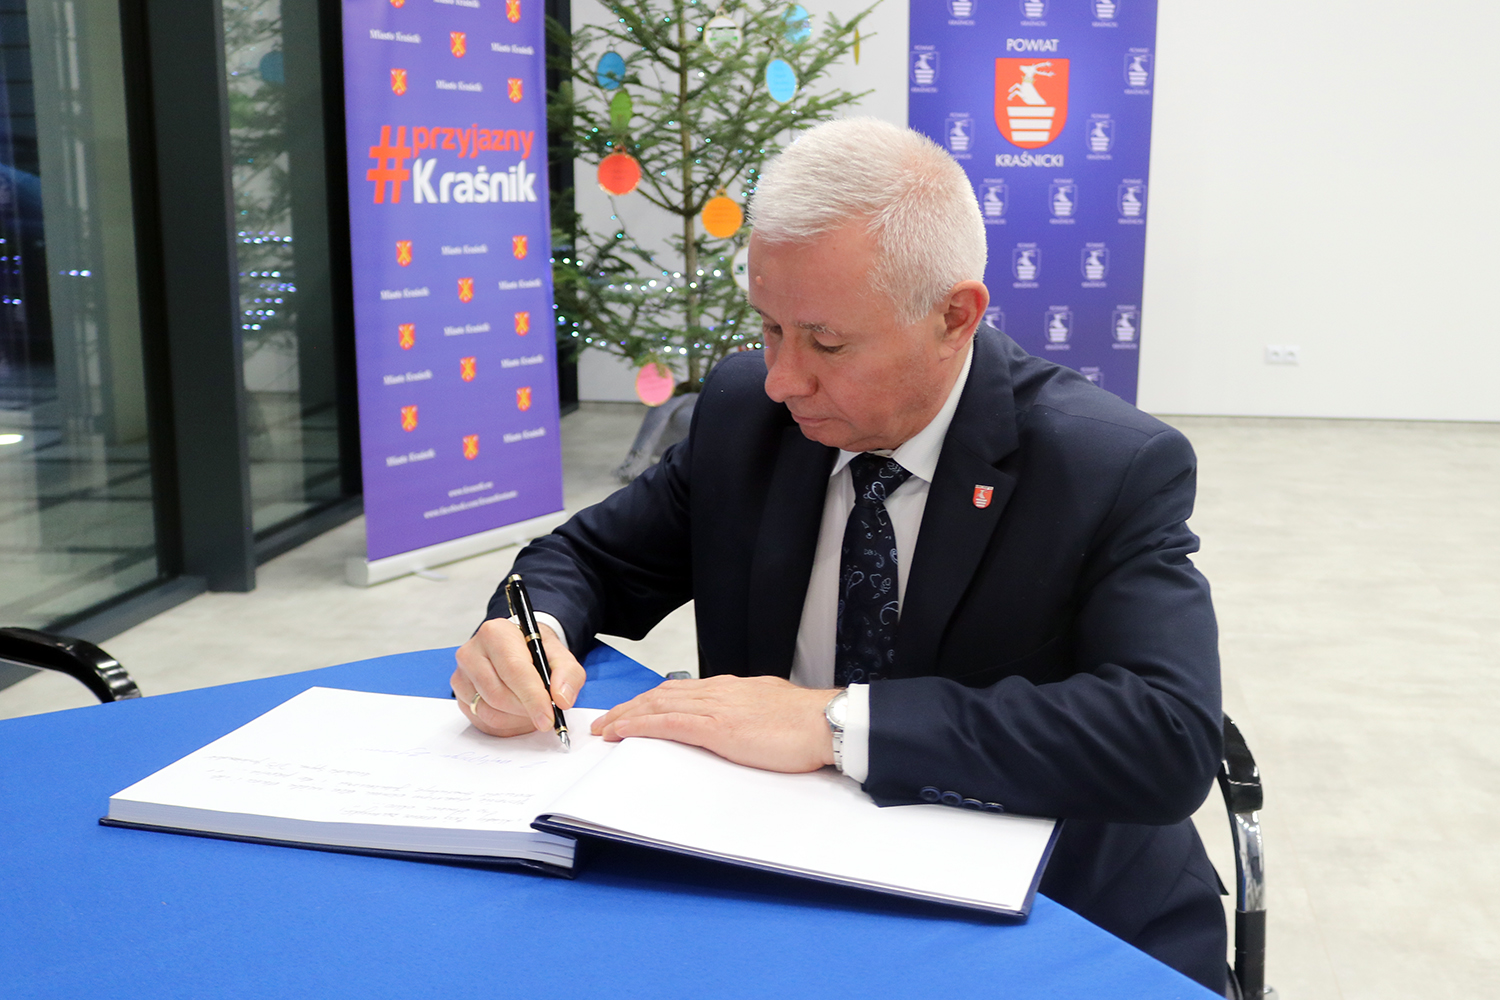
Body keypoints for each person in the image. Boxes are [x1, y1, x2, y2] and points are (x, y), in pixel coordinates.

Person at [451, 118, 1226, 993]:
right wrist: (532, 633)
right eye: (769, 329)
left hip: (1050, 912)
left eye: (826, 342)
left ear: (955, 317)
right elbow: (588, 560)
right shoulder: (748, 418)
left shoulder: (1106, 465)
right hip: (781, 888)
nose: (783, 378)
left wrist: (832, 723)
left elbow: (1165, 734)